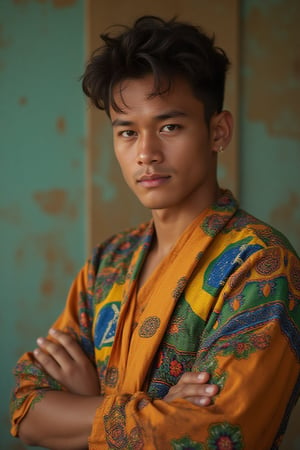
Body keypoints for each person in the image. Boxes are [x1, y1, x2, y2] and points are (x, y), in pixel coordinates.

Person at [10, 15, 300, 450]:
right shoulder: (107, 262)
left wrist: (91, 401)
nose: (146, 153)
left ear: (217, 131)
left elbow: (217, 434)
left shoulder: (261, 263)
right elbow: (26, 408)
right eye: (128, 132)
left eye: (169, 127)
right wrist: (151, 408)